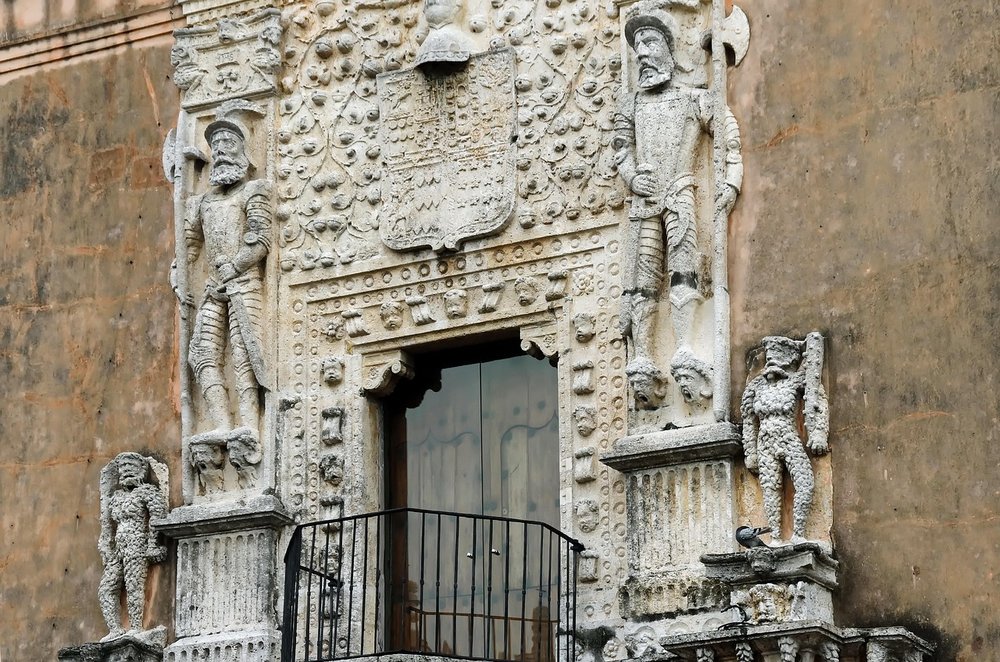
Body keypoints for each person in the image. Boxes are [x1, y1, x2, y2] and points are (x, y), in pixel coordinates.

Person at [614, 14, 742, 402]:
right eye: (638, 48)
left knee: (684, 272)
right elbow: (622, 149)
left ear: (669, 49)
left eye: (650, 44)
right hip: (645, 202)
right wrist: (634, 178)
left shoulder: (692, 99)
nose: (642, 54)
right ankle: (642, 356)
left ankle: (685, 345)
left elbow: (727, 134)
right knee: (642, 283)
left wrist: (731, 181)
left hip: (681, 192)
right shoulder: (632, 104)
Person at [185, 116, 272, 446]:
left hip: (243, 283)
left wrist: (234, 266)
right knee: (201, 353)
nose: (220, 150)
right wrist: (180, 274)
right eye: (215, 145)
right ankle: (221, 422)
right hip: (211, 286)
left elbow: (260, 239)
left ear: (244, 152)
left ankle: (249, 422)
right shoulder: (203, 202)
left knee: (245, 352)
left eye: (228, 144)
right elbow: (192, 243)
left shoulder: (254, 191)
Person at [98, 453, 168, 639]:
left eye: (130, 465)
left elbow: (157, 515)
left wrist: (152, 544)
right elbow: (107, 524)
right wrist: (105, 543)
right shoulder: (116, 497)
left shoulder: (147, 492)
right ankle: (115, 629)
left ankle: (136, 627)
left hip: (137, 543)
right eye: (123, 466)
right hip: (118, 548)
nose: (126, 469)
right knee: (106, 588)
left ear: (141, 470)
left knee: (133, 585)